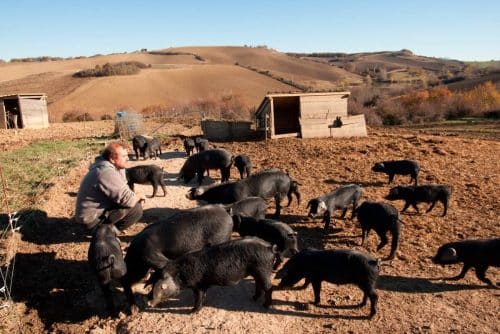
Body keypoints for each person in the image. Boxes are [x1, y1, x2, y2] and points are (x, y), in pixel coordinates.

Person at [75, 142, 145, 231]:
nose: (128, 158)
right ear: (112, 159)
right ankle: (106, 233)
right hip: (91, 221)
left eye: (127, 156)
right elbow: (129, 200)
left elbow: (124, 189)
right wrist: (139, 196)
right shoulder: (105, 172)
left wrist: (134, 196)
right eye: (124, 156)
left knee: (131, 201)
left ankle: (107, 228)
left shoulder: (112, 167)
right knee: (136, 209)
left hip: (93, 215)